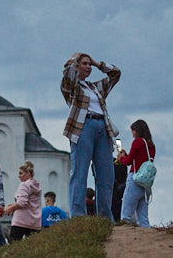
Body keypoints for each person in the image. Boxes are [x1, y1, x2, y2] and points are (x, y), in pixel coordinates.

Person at [62, 53, 122, 219]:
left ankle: (104, 216)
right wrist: (74, 60)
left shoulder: (95, 87)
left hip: (103, 127)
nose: (88, 67)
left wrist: (97, 63)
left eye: (89, 64)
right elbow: (67, 72)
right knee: (80, 172)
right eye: (84, 63)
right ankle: (78, 215)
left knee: (106, 175)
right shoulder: (72, 86)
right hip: (83, 126)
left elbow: (116, 74)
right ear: (76, 66)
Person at [118, 120, 156, 227]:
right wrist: (127, 156)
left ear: (137, 130)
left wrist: (121, 158)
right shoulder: (151, 145)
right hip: (145, 183)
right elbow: (139, 160)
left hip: (135, 179)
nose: (132, 134)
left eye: (133, 131)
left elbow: (128, 162)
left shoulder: (138, 142)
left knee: (126, 215)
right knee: (143, 218)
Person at [3, 160, 42, 240]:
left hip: (21, 221)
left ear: (28, 173)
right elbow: (28, 201)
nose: (19, 176)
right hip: (35, 222)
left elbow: (22, 202)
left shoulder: (24, 184)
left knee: (14, 244)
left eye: (21, 173)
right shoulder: (37, 186)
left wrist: (10, 208)